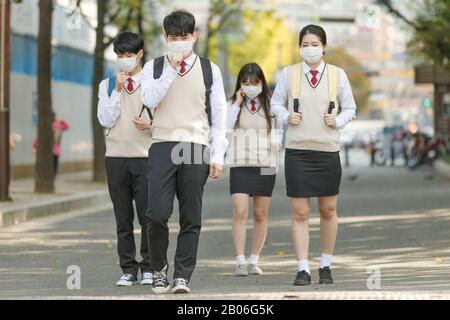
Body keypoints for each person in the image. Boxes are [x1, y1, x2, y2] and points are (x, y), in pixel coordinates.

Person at [140, 10, 228, 294]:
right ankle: (159, 269)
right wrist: (170, 70)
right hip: (163, 144)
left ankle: (182, 275)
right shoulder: (153, 68)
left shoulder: (208, 69)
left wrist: (217, 155)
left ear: (194, 37)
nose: (179, 42)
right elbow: (149, 99)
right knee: (156, 214)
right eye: (173, 38)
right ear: (165, 38)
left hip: (195, 146)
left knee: (191, 215)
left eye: (184, 37)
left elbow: (219, 115)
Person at [271, 24, 357, 286]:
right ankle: (302, 268)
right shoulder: (289, 74)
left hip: (327, 150)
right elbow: (275, 103)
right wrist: (287, 116)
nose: (309, 49)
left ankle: (326, 264)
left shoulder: (337, 75)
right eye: (305, 44)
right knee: (299, 212)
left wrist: (337, 120)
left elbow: (350, 108)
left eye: (314, 44)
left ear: (324, 47)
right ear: (299, 47)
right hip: (298, 151)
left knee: (328, 210)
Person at [97, 32, 153, 287]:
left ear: (140, 54)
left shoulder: (153, 84)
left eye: (129, 55)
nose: (124, 60)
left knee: (148, 216)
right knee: (123, 218)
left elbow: (166, 121)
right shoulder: (107, 85)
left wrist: (150, 125)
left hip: (145, 158)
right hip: (116, 158)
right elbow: (105, 120)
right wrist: (117, 91)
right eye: (120, 55)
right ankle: (128, 269)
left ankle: (150, 267)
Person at [226, 63, 284, 276]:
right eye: (246, 83)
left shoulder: (271, 104)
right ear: (240, 84)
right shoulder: (233, 103)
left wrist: (277, 143)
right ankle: (240, 260)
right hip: (240, 164)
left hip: (266, 165)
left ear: (262, 83)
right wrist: (237, 103)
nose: (250, 87)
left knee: (260, 214)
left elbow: (278, 129)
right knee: (240, 211)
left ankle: (254, 259)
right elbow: (225, 127)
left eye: (255, 83)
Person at [32, 112, 69, 176]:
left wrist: (35, 143)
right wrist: (60, 121)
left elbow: (41, 136)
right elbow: (66, 126)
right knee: (54, 164)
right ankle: (53, 175)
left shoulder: (48, 125)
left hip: (49, 149)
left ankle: (49, 174)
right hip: (55, 149)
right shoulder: (58, 124)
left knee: (49, 163)